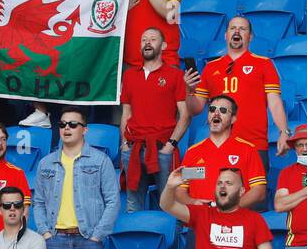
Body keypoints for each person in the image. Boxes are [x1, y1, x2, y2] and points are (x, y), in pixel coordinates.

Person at [33, 108, 118, 249]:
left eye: (72, 124)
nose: (67, 128)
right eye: (62, 125)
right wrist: (46, 233)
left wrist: (97, 236)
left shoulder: (101, 161)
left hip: (88, 240)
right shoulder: (46, 163)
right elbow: (38, 201)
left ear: (85, 129)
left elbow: (113, 201)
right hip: (55, 241)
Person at [189, 16, 288, 173]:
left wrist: (283, 132)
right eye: (232, 28)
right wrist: (188, 91)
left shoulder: (264, 64)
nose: (237, 31)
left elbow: (275, 103)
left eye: (242, 29)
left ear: (251, 37)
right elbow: (196, 109)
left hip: (254, 144)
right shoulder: (210, 68)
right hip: (220, 144)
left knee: (255, 196)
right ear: (226, 35)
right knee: (218, 195)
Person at [119, 27, 189, 213]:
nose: (147, 43)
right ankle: (136, 240)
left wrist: (170, 145)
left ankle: (168, 241)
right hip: (133, 147)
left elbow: (185, 114)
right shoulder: (129, 75)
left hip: (162, 147)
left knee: (168, 202)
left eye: (153, 39)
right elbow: (126, 113)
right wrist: (125, 143)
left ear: (163, 45)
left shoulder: (175, 75)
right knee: (133, 204)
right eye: (144, 40)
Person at [178, 94, 266, 209]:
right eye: (212, 109)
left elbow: (259, 191)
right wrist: (193, 202)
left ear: (233, 119)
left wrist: (229, 209)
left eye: (223, 110)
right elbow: (181, 190)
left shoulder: (247, 150)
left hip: (234, 221)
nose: (216, 113)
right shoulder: (193, 152)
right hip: (200, 221)